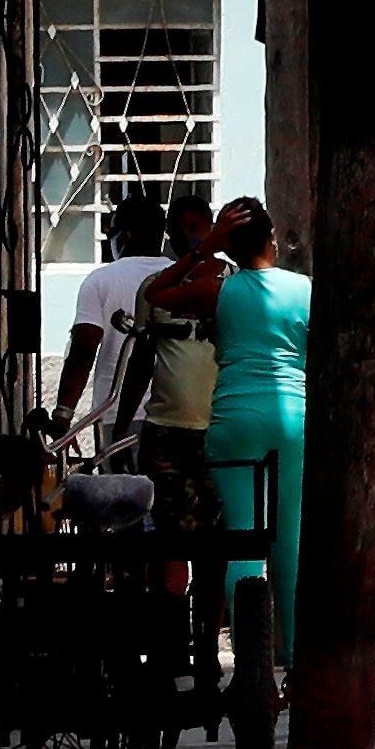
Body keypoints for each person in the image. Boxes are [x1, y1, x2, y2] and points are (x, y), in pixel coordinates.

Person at [196, 196, 312, 640]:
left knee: (242, 536)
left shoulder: (219, 290)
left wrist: (206, 245)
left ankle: (250, 660)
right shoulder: (304, 290)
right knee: (290, 539)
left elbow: (156, 293)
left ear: (229, 247)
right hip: (292, 419)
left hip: (234, 419)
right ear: (273, 238)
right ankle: (290, 656)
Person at [127, 193, 226, 538]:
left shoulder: (235, 286)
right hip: (165, 431)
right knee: (170, 539)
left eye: (197, 228)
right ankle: (172, 594)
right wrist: (127, 428)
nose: (190, 236)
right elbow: (141, 361)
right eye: (180, 230)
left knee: (219, 540)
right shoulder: (154, 290)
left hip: (219, 430)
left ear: (212, 230)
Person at [56, 193, 178, 443]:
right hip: (178, 413)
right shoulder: (182, 277)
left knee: (119, 482)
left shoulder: (101, 280)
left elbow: (83, 351)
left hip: (116, 413)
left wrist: (63, 415)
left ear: (123, 235)